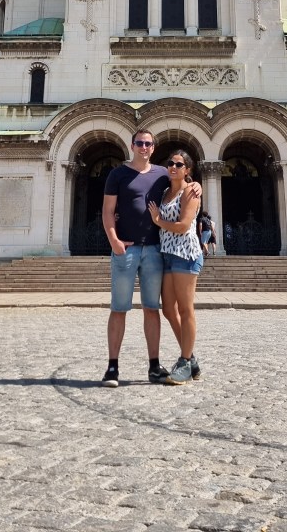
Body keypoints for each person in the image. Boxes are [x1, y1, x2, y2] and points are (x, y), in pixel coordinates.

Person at [100, 129, 171, 388]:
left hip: (153, 249)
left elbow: (183, 185)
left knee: (152, 309)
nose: (144, 147)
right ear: (132, 145)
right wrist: (115, 242)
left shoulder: (162, 173)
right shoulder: (118, 174)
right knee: (119, 308)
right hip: (126, 251)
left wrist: (195, 184)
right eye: (139, 143)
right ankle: (112, 367)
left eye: (148, 144)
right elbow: (108, 211)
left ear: (153, 147)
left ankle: (154, 366)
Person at [148, 149, 203, 385]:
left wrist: (158, 220)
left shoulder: (191, 191)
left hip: (185, 254)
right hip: (166, 255)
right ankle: (191, 359)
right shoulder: (164, 191)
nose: (173, 167)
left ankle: (184, 361)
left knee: (185, 309)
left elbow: (182, 226)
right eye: (170, 163)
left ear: (187, 170)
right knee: (168, 310)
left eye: (179, 164)